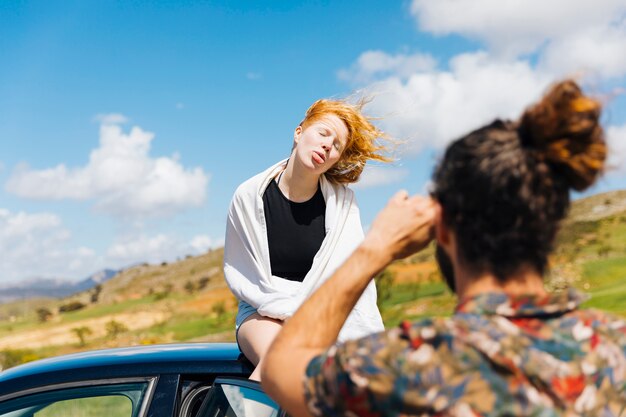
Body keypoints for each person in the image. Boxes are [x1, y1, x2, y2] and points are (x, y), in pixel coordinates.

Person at [262, 80, 626, 416]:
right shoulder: (615, 347)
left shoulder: (413, 363)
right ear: (549, 229)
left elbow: (282, 370)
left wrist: (376, 248)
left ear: (443, 227)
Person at [224, 98, 391, 381]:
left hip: (321, 316)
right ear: (299, 132)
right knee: (282, 360)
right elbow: (245, 276)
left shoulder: (343, 206)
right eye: (323, 133)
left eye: (337, 145)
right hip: (261, 310)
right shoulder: (249, 196)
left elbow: (352, 279)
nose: (328, 145)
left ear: (336, 159)